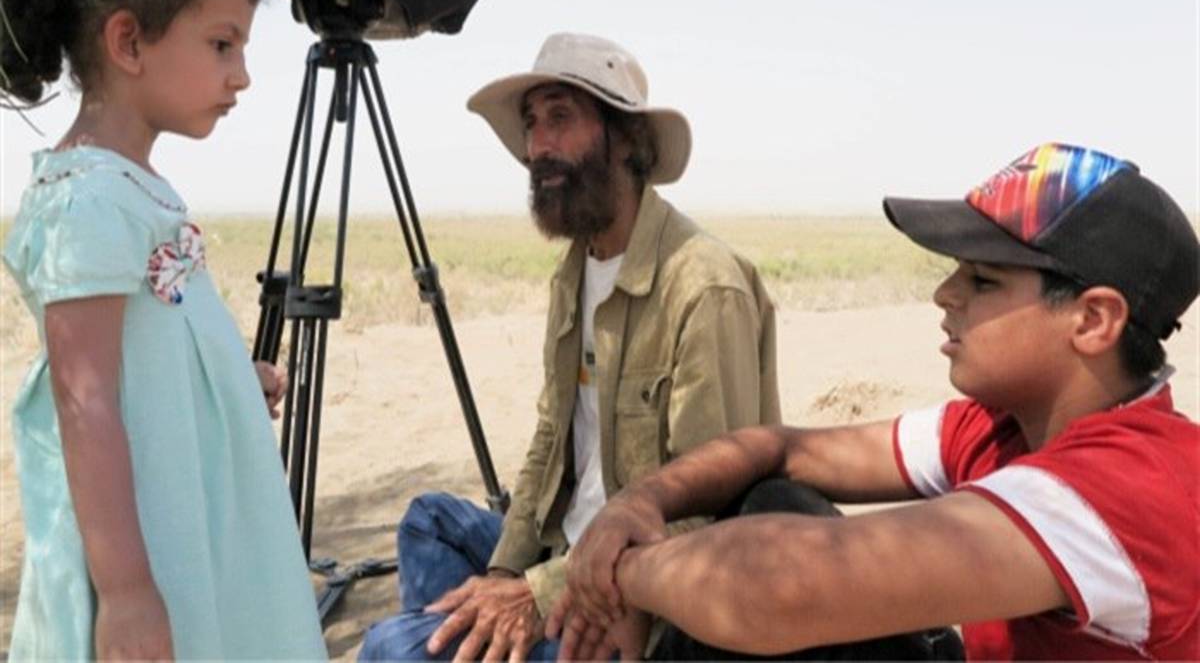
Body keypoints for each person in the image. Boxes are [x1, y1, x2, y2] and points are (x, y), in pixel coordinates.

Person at [551, 142, 1199, 661]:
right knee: (771, 496)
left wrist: (619, 570)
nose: (945, 293)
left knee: (757, 579)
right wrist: (639, 504)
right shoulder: (1001, 425)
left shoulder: (1130, 487)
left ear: (1092, 320)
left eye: (981, 278)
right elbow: (783, 447)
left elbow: (781, 587)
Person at [359, 33, 781, 662]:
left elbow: (709, 514)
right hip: (565, 553)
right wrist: (505, 579)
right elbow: (550, 440)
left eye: (561, 118)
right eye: (532, 124)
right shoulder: (576, 271)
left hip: (636, 599)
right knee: (429, 521)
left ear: (629, 140)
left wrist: (541, 594)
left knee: (392, 648)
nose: (538, 147)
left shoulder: (703, 286)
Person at [1, 0, 327, 660]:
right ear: (129, 41)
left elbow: (140, 362)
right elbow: (87, 410)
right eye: (222, 44)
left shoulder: (126, 187)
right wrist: (126, 594)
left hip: (188, 515)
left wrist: (222, 379)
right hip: (149, 548)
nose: (241, 74)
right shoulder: (89, 201)